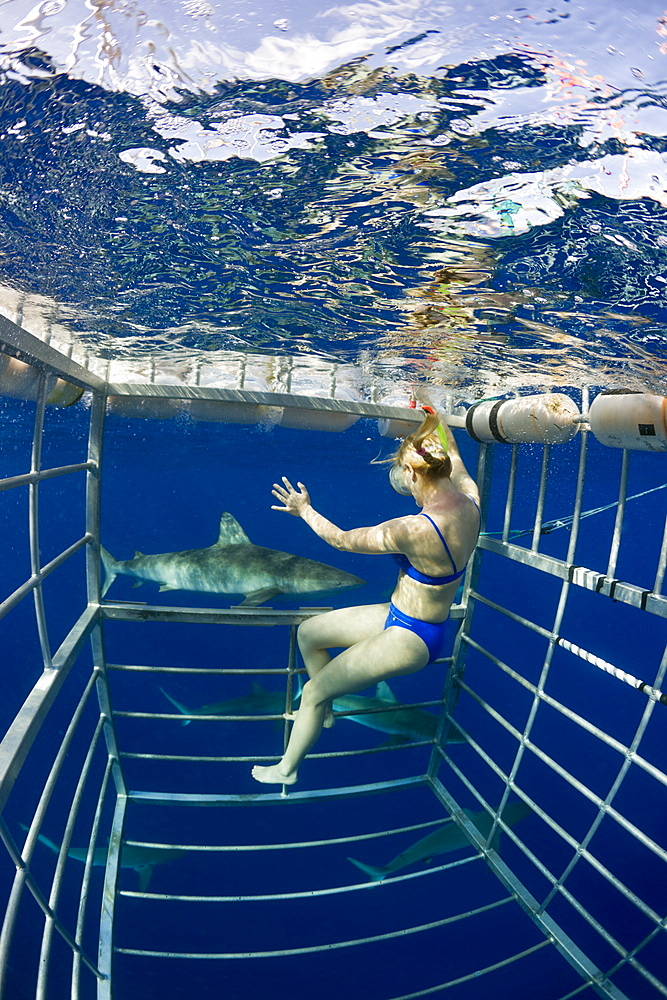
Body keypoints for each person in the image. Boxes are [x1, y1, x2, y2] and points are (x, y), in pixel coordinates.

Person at [251, 410, 480, 786]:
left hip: (411, 640)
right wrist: (432, 414)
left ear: (410, 475)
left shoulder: (412, 529)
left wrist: (304, 510)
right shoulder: (470, 500)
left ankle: (287, 769)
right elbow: (455, 456)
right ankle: (324, 710)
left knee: (310, 692)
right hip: (402, 615)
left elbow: (340, 540)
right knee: (308, 634)